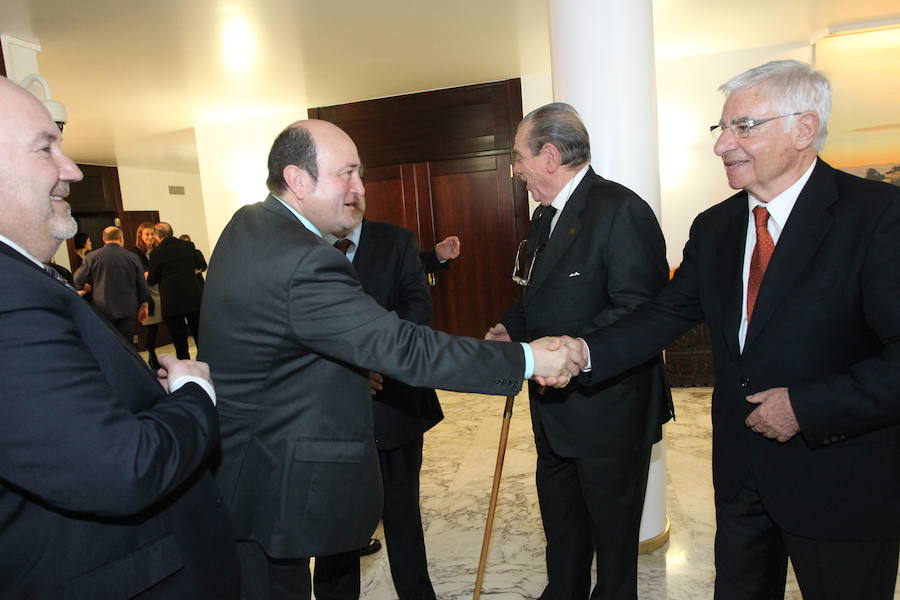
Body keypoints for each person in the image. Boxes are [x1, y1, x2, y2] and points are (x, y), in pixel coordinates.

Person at [547, 61, 900, 599]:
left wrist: (806, 407)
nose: (722, 145)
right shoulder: (716, 226)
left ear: (804, 129)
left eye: (743, 127)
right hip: (742, 476)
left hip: (839, 479)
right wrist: (584, 351)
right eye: (723, 128)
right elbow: (665, 314)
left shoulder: (878, 216)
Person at [198, 118, 585, 600]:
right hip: (271, 477)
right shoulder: (303, 260)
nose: (359, 188)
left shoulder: (247, 224)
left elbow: (280, 348)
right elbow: (405, 346)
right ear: (298, 180)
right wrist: (529, 360)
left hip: (245, 469)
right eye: (347, 173)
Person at [0, 76, 238, 598]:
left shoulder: (36, 275)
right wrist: (194, 392)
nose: (73, 170)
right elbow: (122, 469)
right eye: (47, 148)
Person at [484, 102, 673, 600]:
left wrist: (575, 352)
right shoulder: (544, 219)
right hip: (552, 409)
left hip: (609, 409)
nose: (516, 170)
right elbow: (534, 296)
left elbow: (641, 312)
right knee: (562, 521)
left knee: (612, 538)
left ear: (549, 156)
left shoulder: (620, 210)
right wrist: (509, 326)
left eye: (518, 158)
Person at [321, 195, 442, 599]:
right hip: (329, 414)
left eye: (358, 180)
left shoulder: (397, 242)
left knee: (402, 512)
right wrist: (347, 369)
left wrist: (373, 359)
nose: (352, 192)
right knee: (336, 520)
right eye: (342, 179)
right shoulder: (303, 247)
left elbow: (417, 309)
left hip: (394, 407)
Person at [73, 225, 149, 343]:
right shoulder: (132, 257)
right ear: (121, 238)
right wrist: (144, 304)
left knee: (109, 342)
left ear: (104, 239)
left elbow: (77, 279)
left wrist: (83, 287)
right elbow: (141, 283)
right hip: (127, 307)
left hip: (103, 307)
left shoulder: (92, 257)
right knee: (127, 343)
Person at [148, 222, 203, 359]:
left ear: (158, 235)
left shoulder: (157, 252)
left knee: (180, 341)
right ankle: (205, 364)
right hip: (193, 297)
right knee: (199, 336)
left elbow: (152, 279)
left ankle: (186, 369)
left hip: (172, 301)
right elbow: (199, 265)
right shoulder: (188, 246)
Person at [131, 221, 164, 369]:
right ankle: (152, 356)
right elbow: (142, 274)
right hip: (148, 292)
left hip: (161, 289)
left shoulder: (159, 250)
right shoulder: (136, 252)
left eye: (152, 234)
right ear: (141, 236)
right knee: (151, 328)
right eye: (147, 234)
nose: (150, 237)